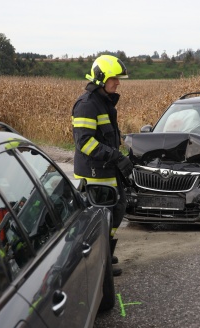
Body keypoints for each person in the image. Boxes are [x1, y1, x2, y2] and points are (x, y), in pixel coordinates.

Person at [71, 55, 131, 276]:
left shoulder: (104, 102)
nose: (118, 83)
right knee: (102, 218)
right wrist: (115, 156)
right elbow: (84, 143)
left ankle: (106, 251)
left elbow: (105, 135)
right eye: (114, 78)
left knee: (117, 209)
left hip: (107, 170)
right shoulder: (87, 105)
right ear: (100, 78)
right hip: (96, 173)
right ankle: (100, 263)